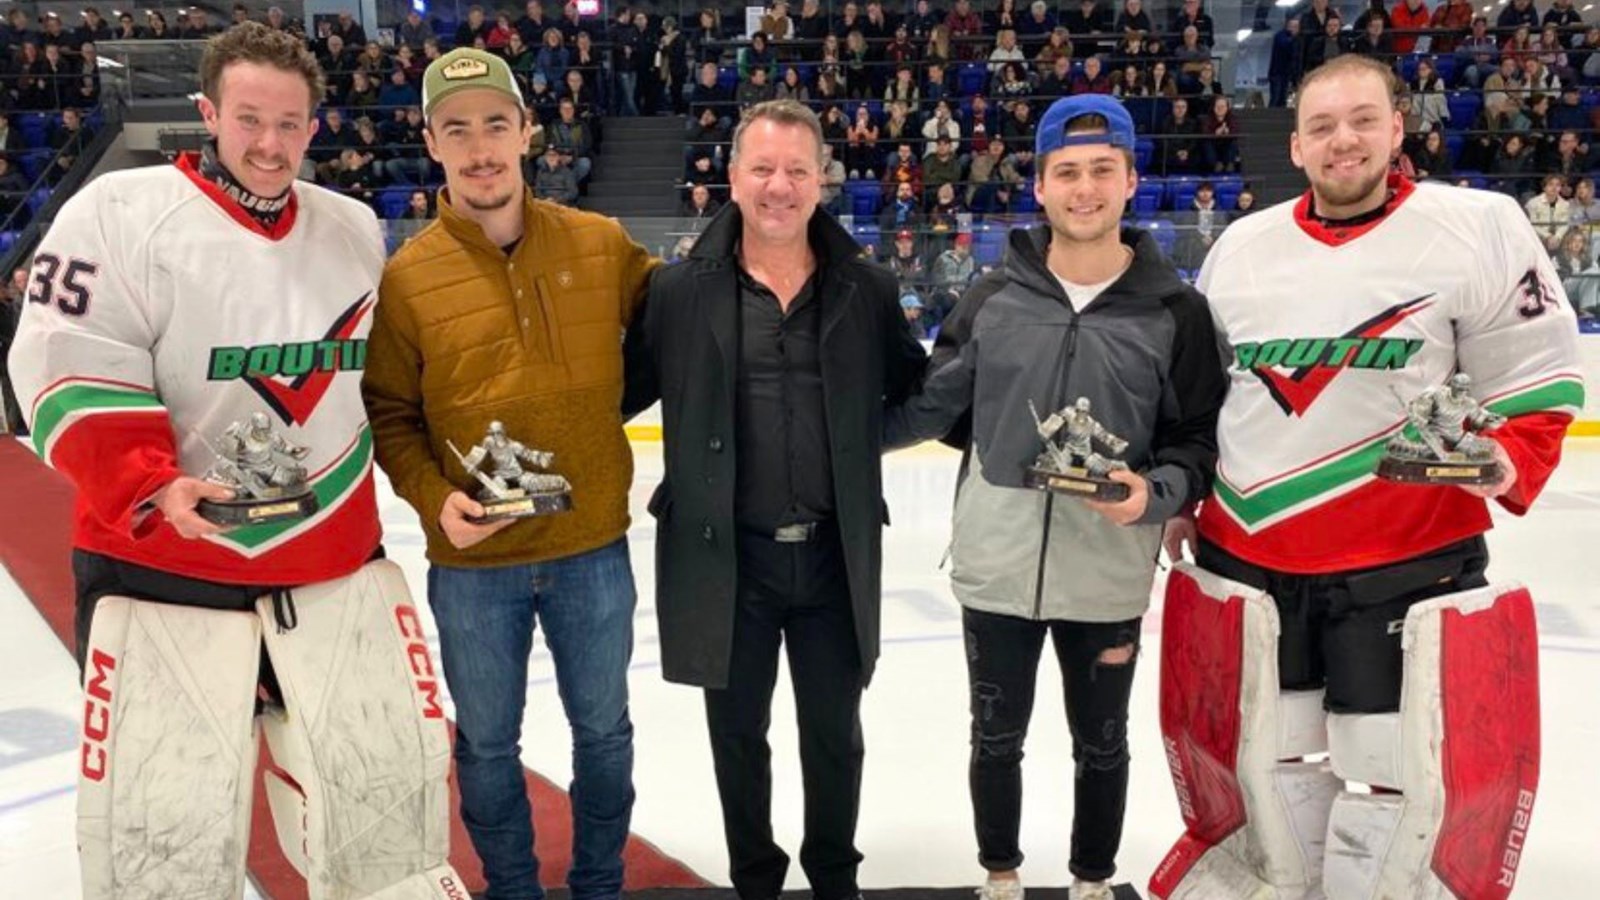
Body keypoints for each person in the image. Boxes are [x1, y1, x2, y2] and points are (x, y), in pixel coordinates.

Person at [7, 22, 461, 899]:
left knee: (384, 815)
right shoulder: (116, 214)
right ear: (208, 112)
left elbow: (384, 382)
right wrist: (153, 485)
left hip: (332, 559)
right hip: (160, 563)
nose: (269, 143)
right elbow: (65, 362)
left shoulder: (355, 228)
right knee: (162, 836)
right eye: (250, 118)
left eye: (289, 124)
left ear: (315, 127)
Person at [1152, 54, 1582, 900]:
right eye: (1320, 127)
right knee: (1265, 759)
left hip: (1406, 557)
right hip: (1252, 554)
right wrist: (1186, 492)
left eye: (1360, 120)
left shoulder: (1480, 224)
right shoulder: (1243, 245)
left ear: (1397, 125)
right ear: (1299, 147)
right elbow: (1202, 392)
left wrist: (1501, 458)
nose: (1341, 140)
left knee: (1397, 768)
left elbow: (1534, 369)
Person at [882, 94, 1227, 900]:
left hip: (1106, 570)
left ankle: (1092, 882)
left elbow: (1198, 440)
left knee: (1102, 742)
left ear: (1131, 179)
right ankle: (999, 878)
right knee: (994, 737)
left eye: (1102, 170)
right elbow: (938, 408)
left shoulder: (1176, 312)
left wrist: (1156, 493)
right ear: (1037, 186)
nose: (1084, 189)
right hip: (997, 561)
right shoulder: (994, 297)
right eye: (1065, 172)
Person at [362, 47, 658, 900]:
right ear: (431, 142)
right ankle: (513, 890)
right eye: (459, 130)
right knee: (487, 747)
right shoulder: (407, 279)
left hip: (592, 550)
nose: (481, 146)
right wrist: (432, 498)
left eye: (497, 124)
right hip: (473, 569)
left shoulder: (603, 247)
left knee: (604, 734)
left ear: (530, 132)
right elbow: (390, 413)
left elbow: (690, 319)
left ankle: (599, 884)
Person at [622, 99, 926, 900]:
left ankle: (835, 879)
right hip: (729, 562)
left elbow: (922, 395)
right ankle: (755, 880)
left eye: (797, 169)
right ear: (730, 177)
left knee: (836, 737)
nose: (780, 186)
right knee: (737, 738)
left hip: (831, 556)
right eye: (762, 168)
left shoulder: (867, 288)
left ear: (821, 179)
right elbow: (612, 396)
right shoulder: (678, 292)